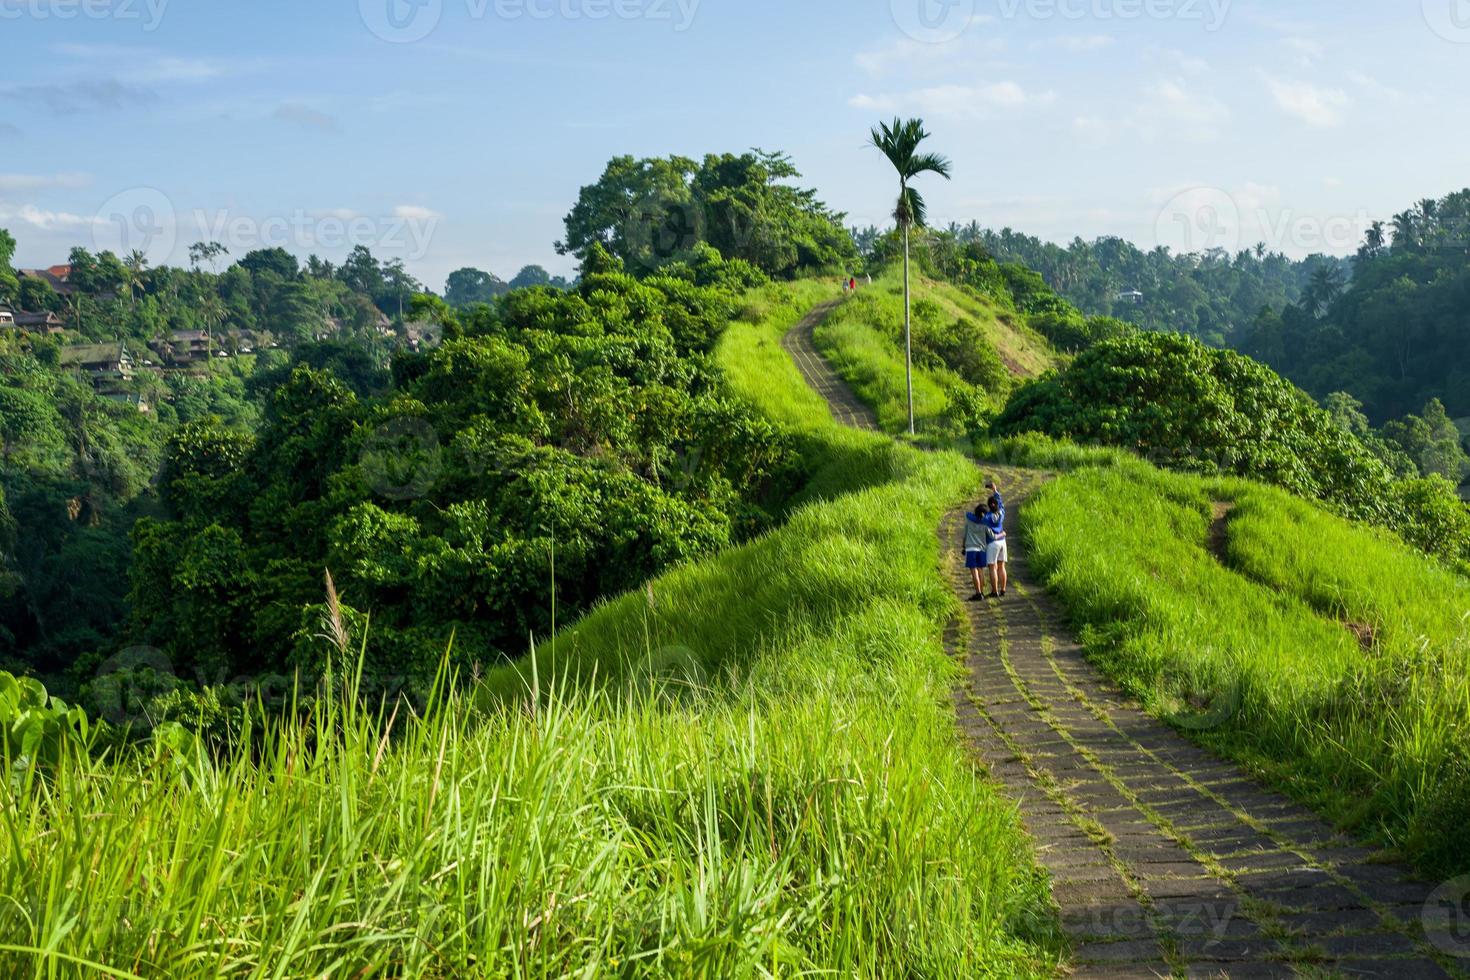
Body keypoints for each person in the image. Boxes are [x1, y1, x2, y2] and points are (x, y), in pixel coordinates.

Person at [981, 481, 1008, 598]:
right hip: (1002, 541)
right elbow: (1000, 503)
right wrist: (995, 490)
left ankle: (994, 591)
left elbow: (979, 519)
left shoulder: (987, 518)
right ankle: (1003, 589)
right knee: (1002, 567)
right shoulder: (1001, 512)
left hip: (992, 543)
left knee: (992, 567)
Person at [963, 503, 990, 601]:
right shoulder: (985, 523)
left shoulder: (969, 520)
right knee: (981, 571)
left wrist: (963, 546)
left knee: (974, 572)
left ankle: (978, 593)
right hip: (982, 549)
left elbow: (965, 534)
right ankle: (982, 592)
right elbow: (990, 535)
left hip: (971, 549)